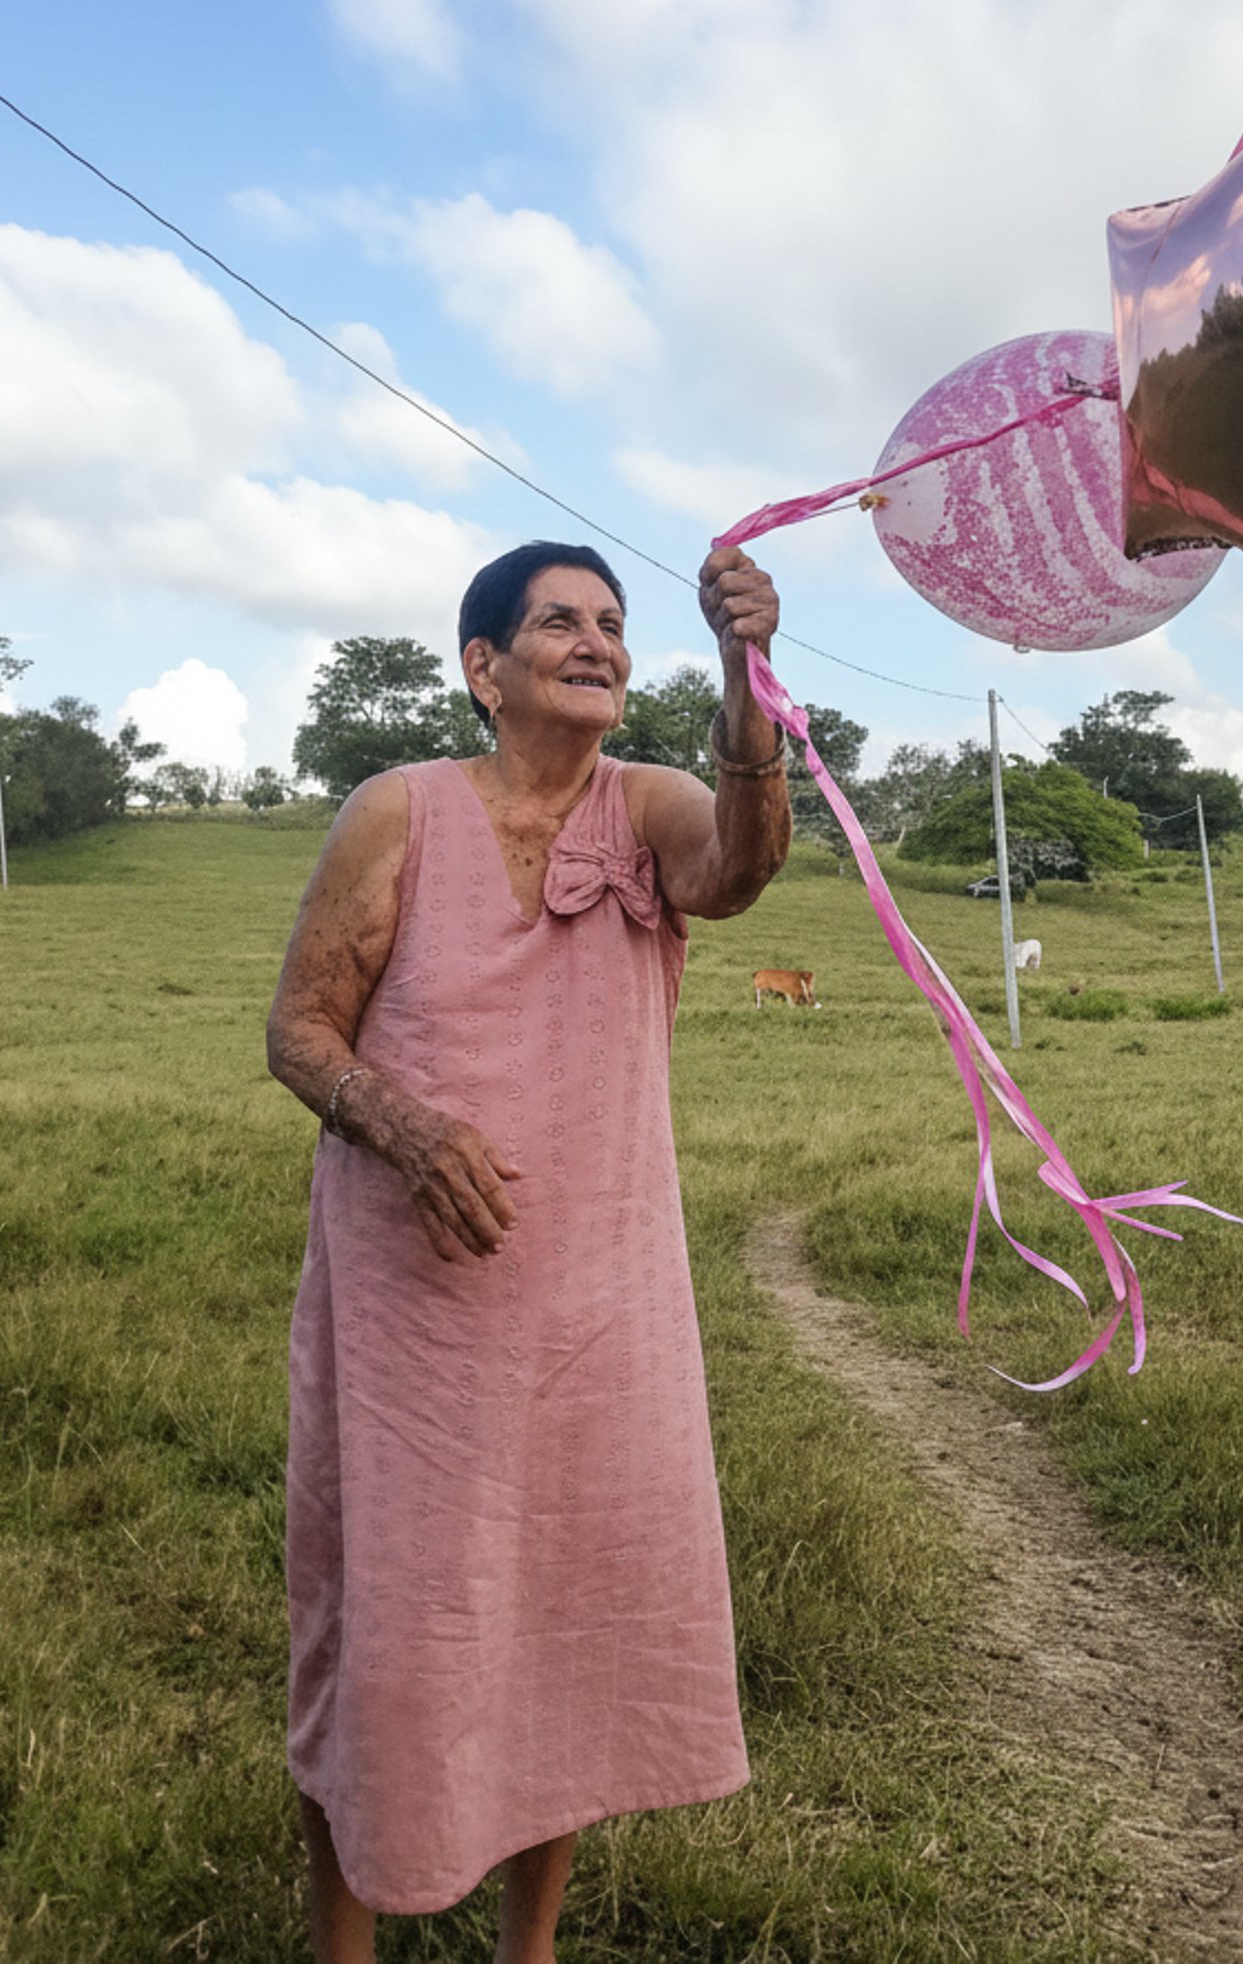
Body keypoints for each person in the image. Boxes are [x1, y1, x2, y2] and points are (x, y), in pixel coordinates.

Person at [265, 541, 790, 1964]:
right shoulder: (401, 815)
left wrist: (748, 672)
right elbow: (299, 1033)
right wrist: (405, 1127)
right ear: (481, 668)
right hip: (409, 1313)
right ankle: (344, 1940)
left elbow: (739, 871)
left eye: (613, 625)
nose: (597, 641)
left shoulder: (650, 804)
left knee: (561, 1610)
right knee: (386, 1619)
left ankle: (531, 1944)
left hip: (591, 1307)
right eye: (558, 621)